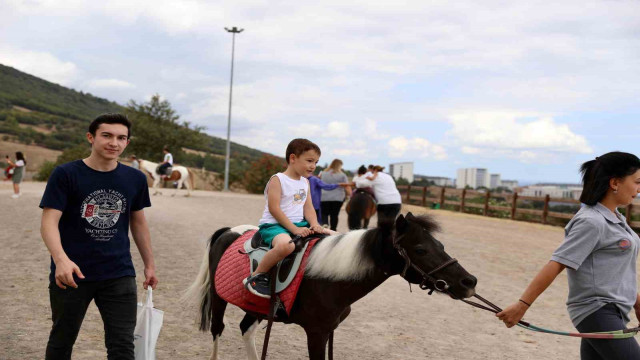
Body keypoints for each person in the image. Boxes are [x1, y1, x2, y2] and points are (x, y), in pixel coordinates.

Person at [497, 151, 640, 359]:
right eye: (637, 182)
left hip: (613, 310)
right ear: (615, 183)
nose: (639, 188)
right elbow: (557, 263)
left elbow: (616, 270)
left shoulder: (616, 217)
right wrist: (522, 305)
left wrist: (636, 302)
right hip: (597, 311)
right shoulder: (591, 222)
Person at [39, 113, 158, 360]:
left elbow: (138, 221)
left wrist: (149, 264)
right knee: (62, 341)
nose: (114, 142)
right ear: (91, 137)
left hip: (119, 273)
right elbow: (49, 222)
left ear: (127, 142)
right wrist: (61, 260)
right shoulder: (65, 174)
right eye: (107, 135)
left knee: (123, 346)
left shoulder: (135, 179)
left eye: (121, 137)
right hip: (72, 274)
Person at [244, 138, 336, 298]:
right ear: (293, 158)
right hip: (274, 225)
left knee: (336, 236)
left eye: (316, 162)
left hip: (300, 223)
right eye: (309, 161)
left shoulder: (305, 182)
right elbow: (274, 209)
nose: (313, 166)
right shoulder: (278, 179)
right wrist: (294, 229)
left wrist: (315, 224)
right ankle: (257, 276)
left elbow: (308, 208)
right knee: (286, 246)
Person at [320, 159, 350, 231]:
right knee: (334, 215)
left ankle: (325, 225)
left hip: (324, 197)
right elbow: (346, 186)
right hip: (338, 198)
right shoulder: (342, 175)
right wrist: (349, 194)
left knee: (324, 213)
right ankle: (333, 229)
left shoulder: (322, 173)